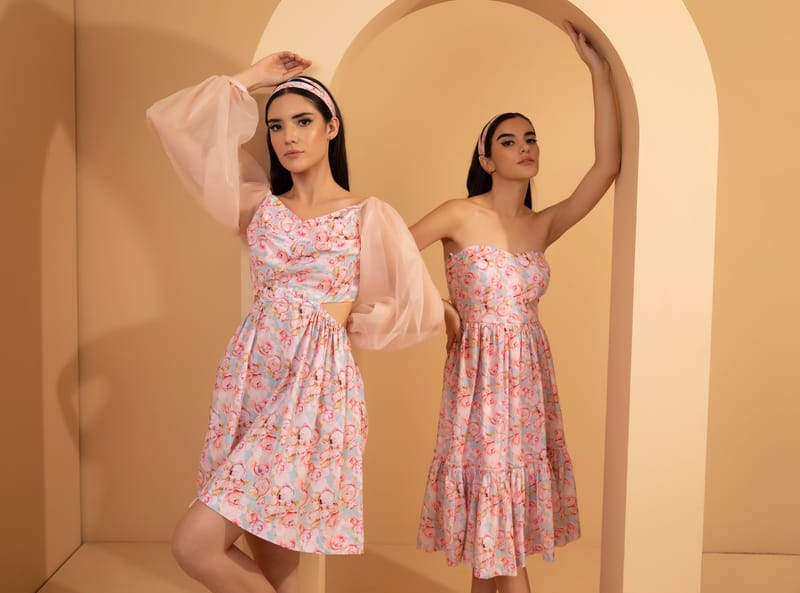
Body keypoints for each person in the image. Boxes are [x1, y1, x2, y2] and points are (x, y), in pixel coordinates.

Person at [146, 52, 442, 593]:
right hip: (250, 379)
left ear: (332, 127)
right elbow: (171, 123)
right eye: (276, 125)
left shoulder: (368, 214)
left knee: (195, 544)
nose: (288, 137)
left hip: (315, 388)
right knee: (278, 566)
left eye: (303, 121)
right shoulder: (257, 205)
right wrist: (253, 78)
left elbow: (411, 301)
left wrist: (337, 329)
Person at [412, 22, 621, 593]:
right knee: (496, 521)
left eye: (531, 138)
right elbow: (386, 256)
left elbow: (606, 167)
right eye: (509, 140)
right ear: (485, 157)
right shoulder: (459, 213)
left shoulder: (542, 223)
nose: (525, 147)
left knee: (500, 531)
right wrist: (440, 307)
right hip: (479, 376)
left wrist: (599, 72)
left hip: (528, 378)